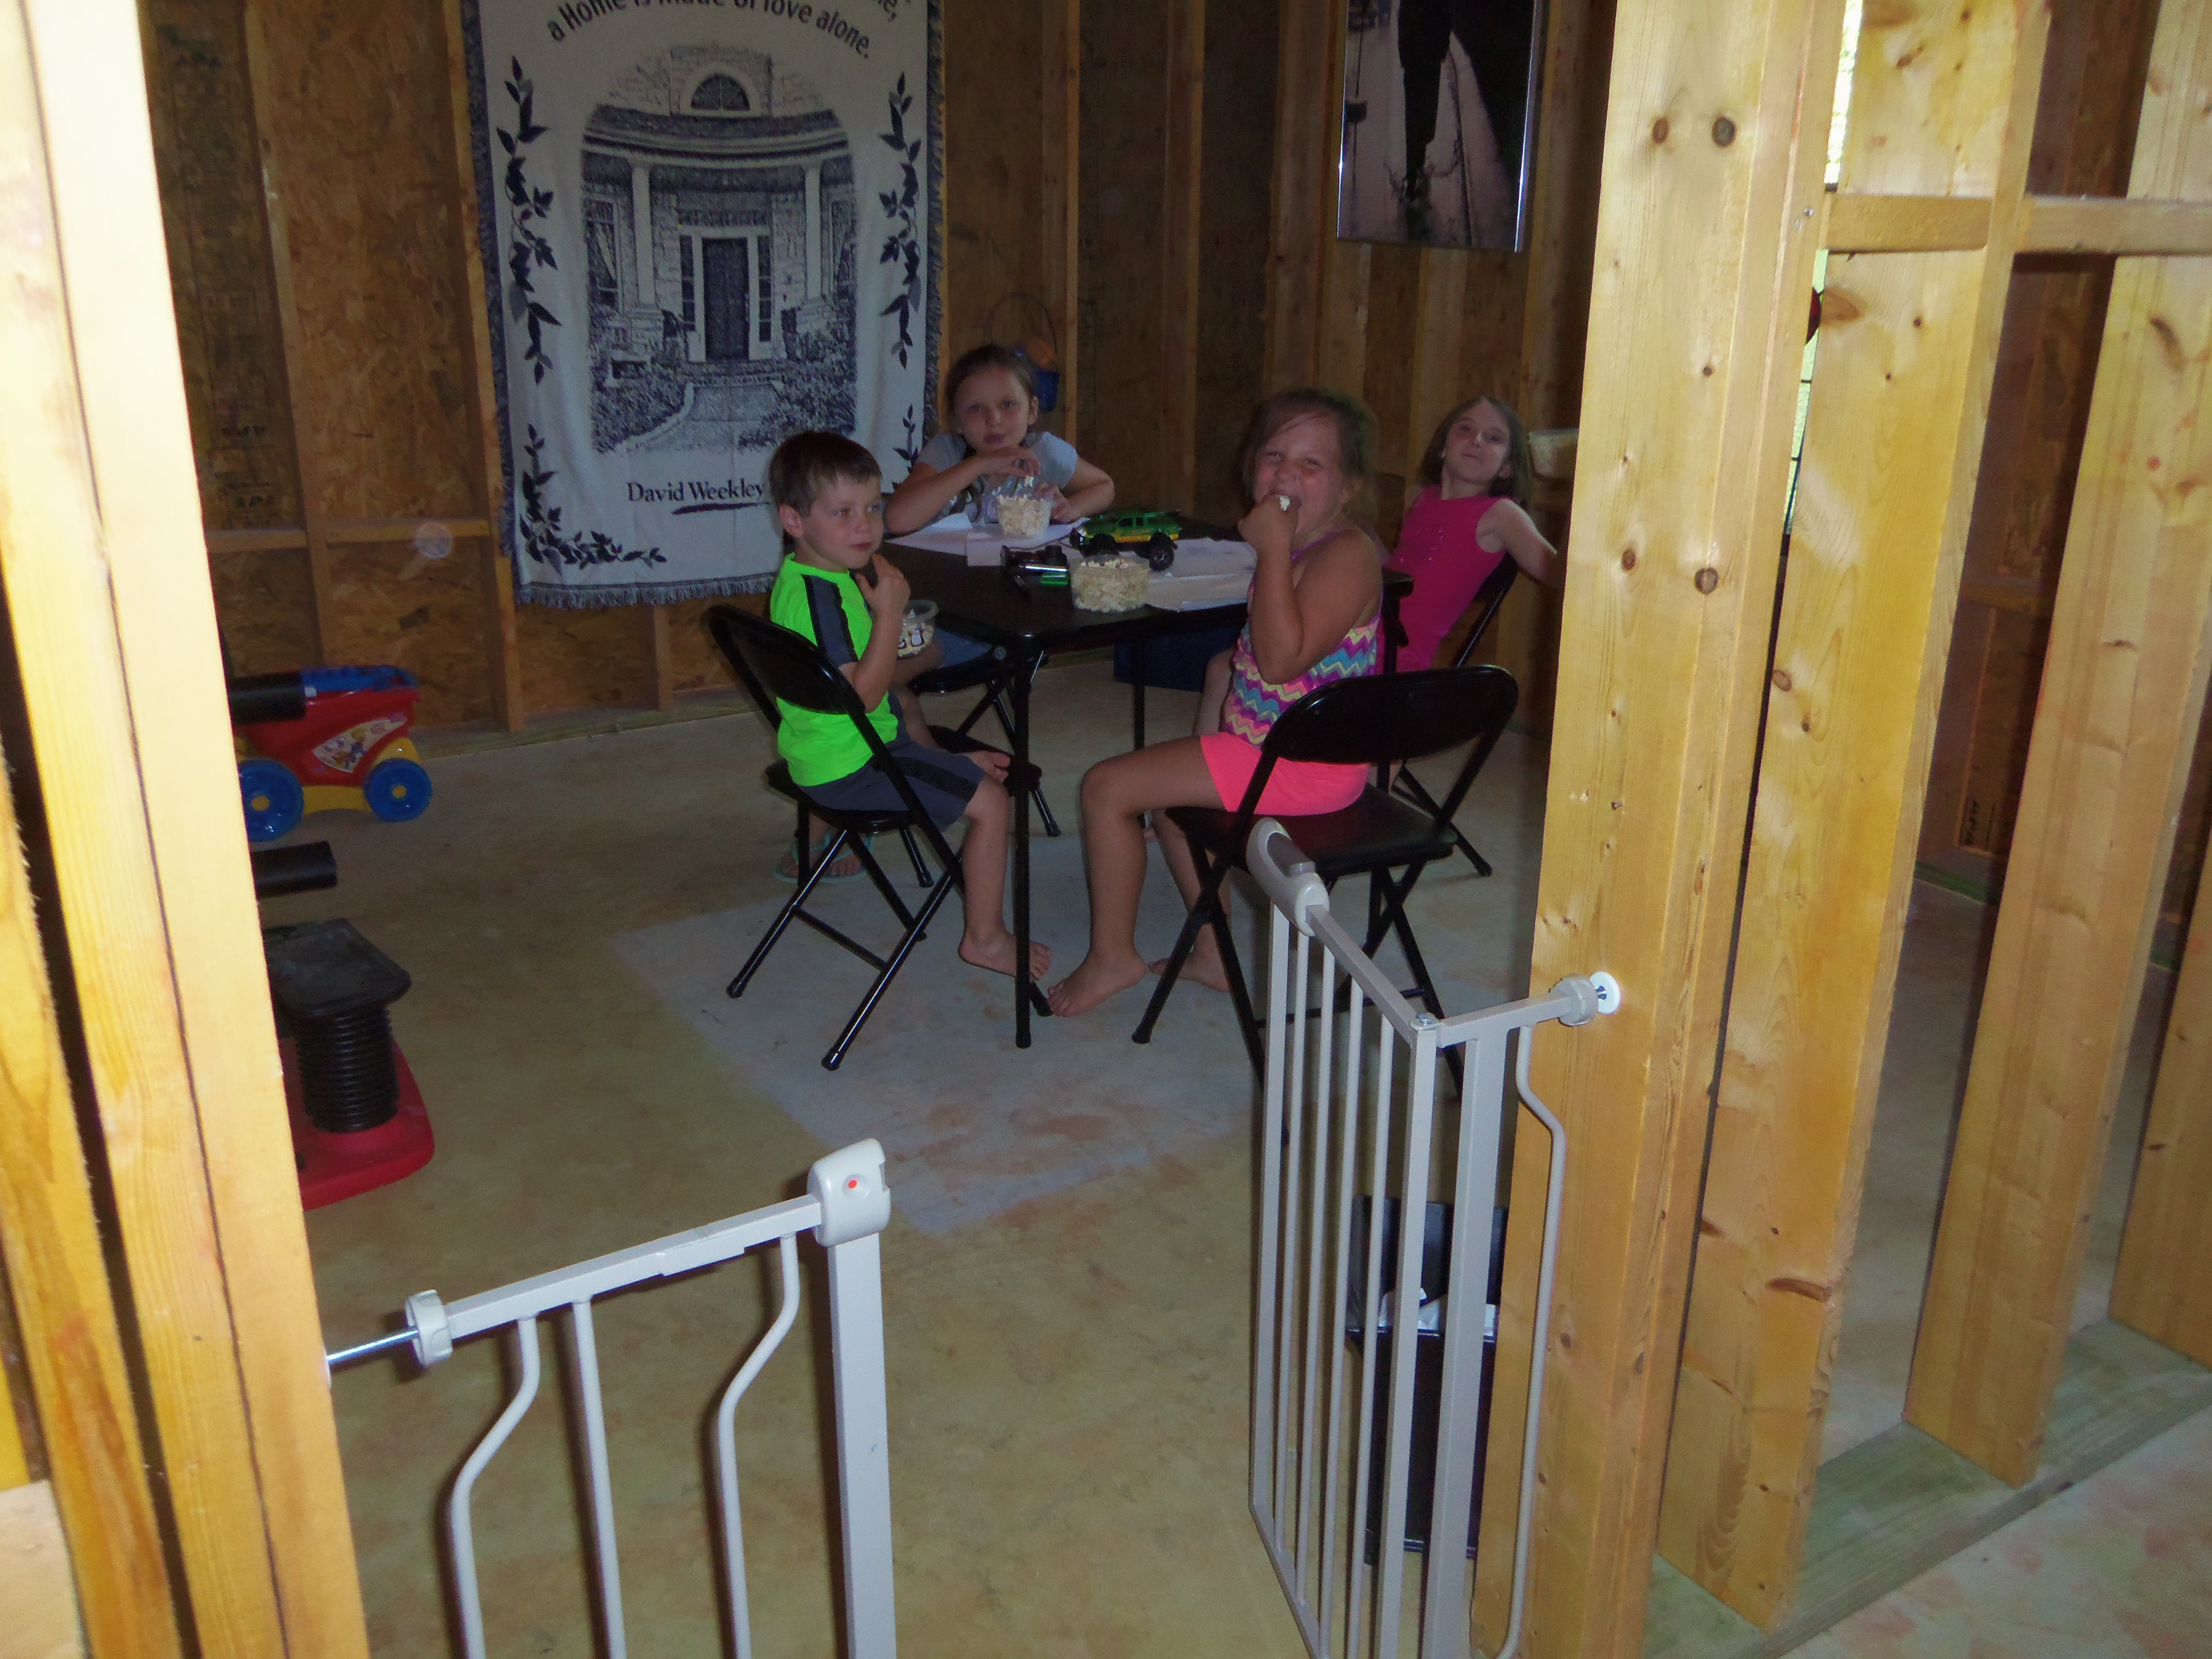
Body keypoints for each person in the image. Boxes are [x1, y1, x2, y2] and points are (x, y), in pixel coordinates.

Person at [1047, 389, 1384, 1017]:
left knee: (1105, 787)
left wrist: (1273, 550)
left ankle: (1112, 957)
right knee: (1177, 790)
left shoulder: (1349, 555)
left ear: (1349, 489)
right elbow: (1258, 657)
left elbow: (1281, 661)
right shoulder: (1309, 546)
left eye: (1312, 464)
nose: (1286, 474)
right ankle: (1215, 954)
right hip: (1278, 748)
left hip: (1306, 765)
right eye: (1274, 456)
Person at [763, 431, 1048, 981]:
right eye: (842, 512)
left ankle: (943, 767)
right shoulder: (823, 601)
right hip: (855, 765)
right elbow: (863, 697)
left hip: (832, 749)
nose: (865, 526)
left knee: (923, 723)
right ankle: (985, 939)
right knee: (993, 804)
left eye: (872, 508)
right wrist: (890, 614)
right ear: (793, 521)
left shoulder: (806, 576)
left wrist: (947, 764)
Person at [880, 343, 1119, 755]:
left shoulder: (1045, 451)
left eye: (1008, 405)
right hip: (940, 604)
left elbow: (1105, 487)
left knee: (891, 668)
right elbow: (898, 518)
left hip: (1007, 613)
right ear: (957, 421)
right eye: (975, 409)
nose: (993, 419)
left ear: (1032, 410)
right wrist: (977, 465)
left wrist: (1070, 508)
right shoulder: (948, 453)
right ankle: (875, 706)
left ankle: (871, 698)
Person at [1389, 395, 1559, 674]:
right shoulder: (1422, 498)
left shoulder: (1501, 515)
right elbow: (1400, 574)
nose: (1476, 440)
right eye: (1465, 429)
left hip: (1392, 662)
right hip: (1363, 632)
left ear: (1507, 467)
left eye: (1494, 438)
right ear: (1443, 447)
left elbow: (1560, 575)